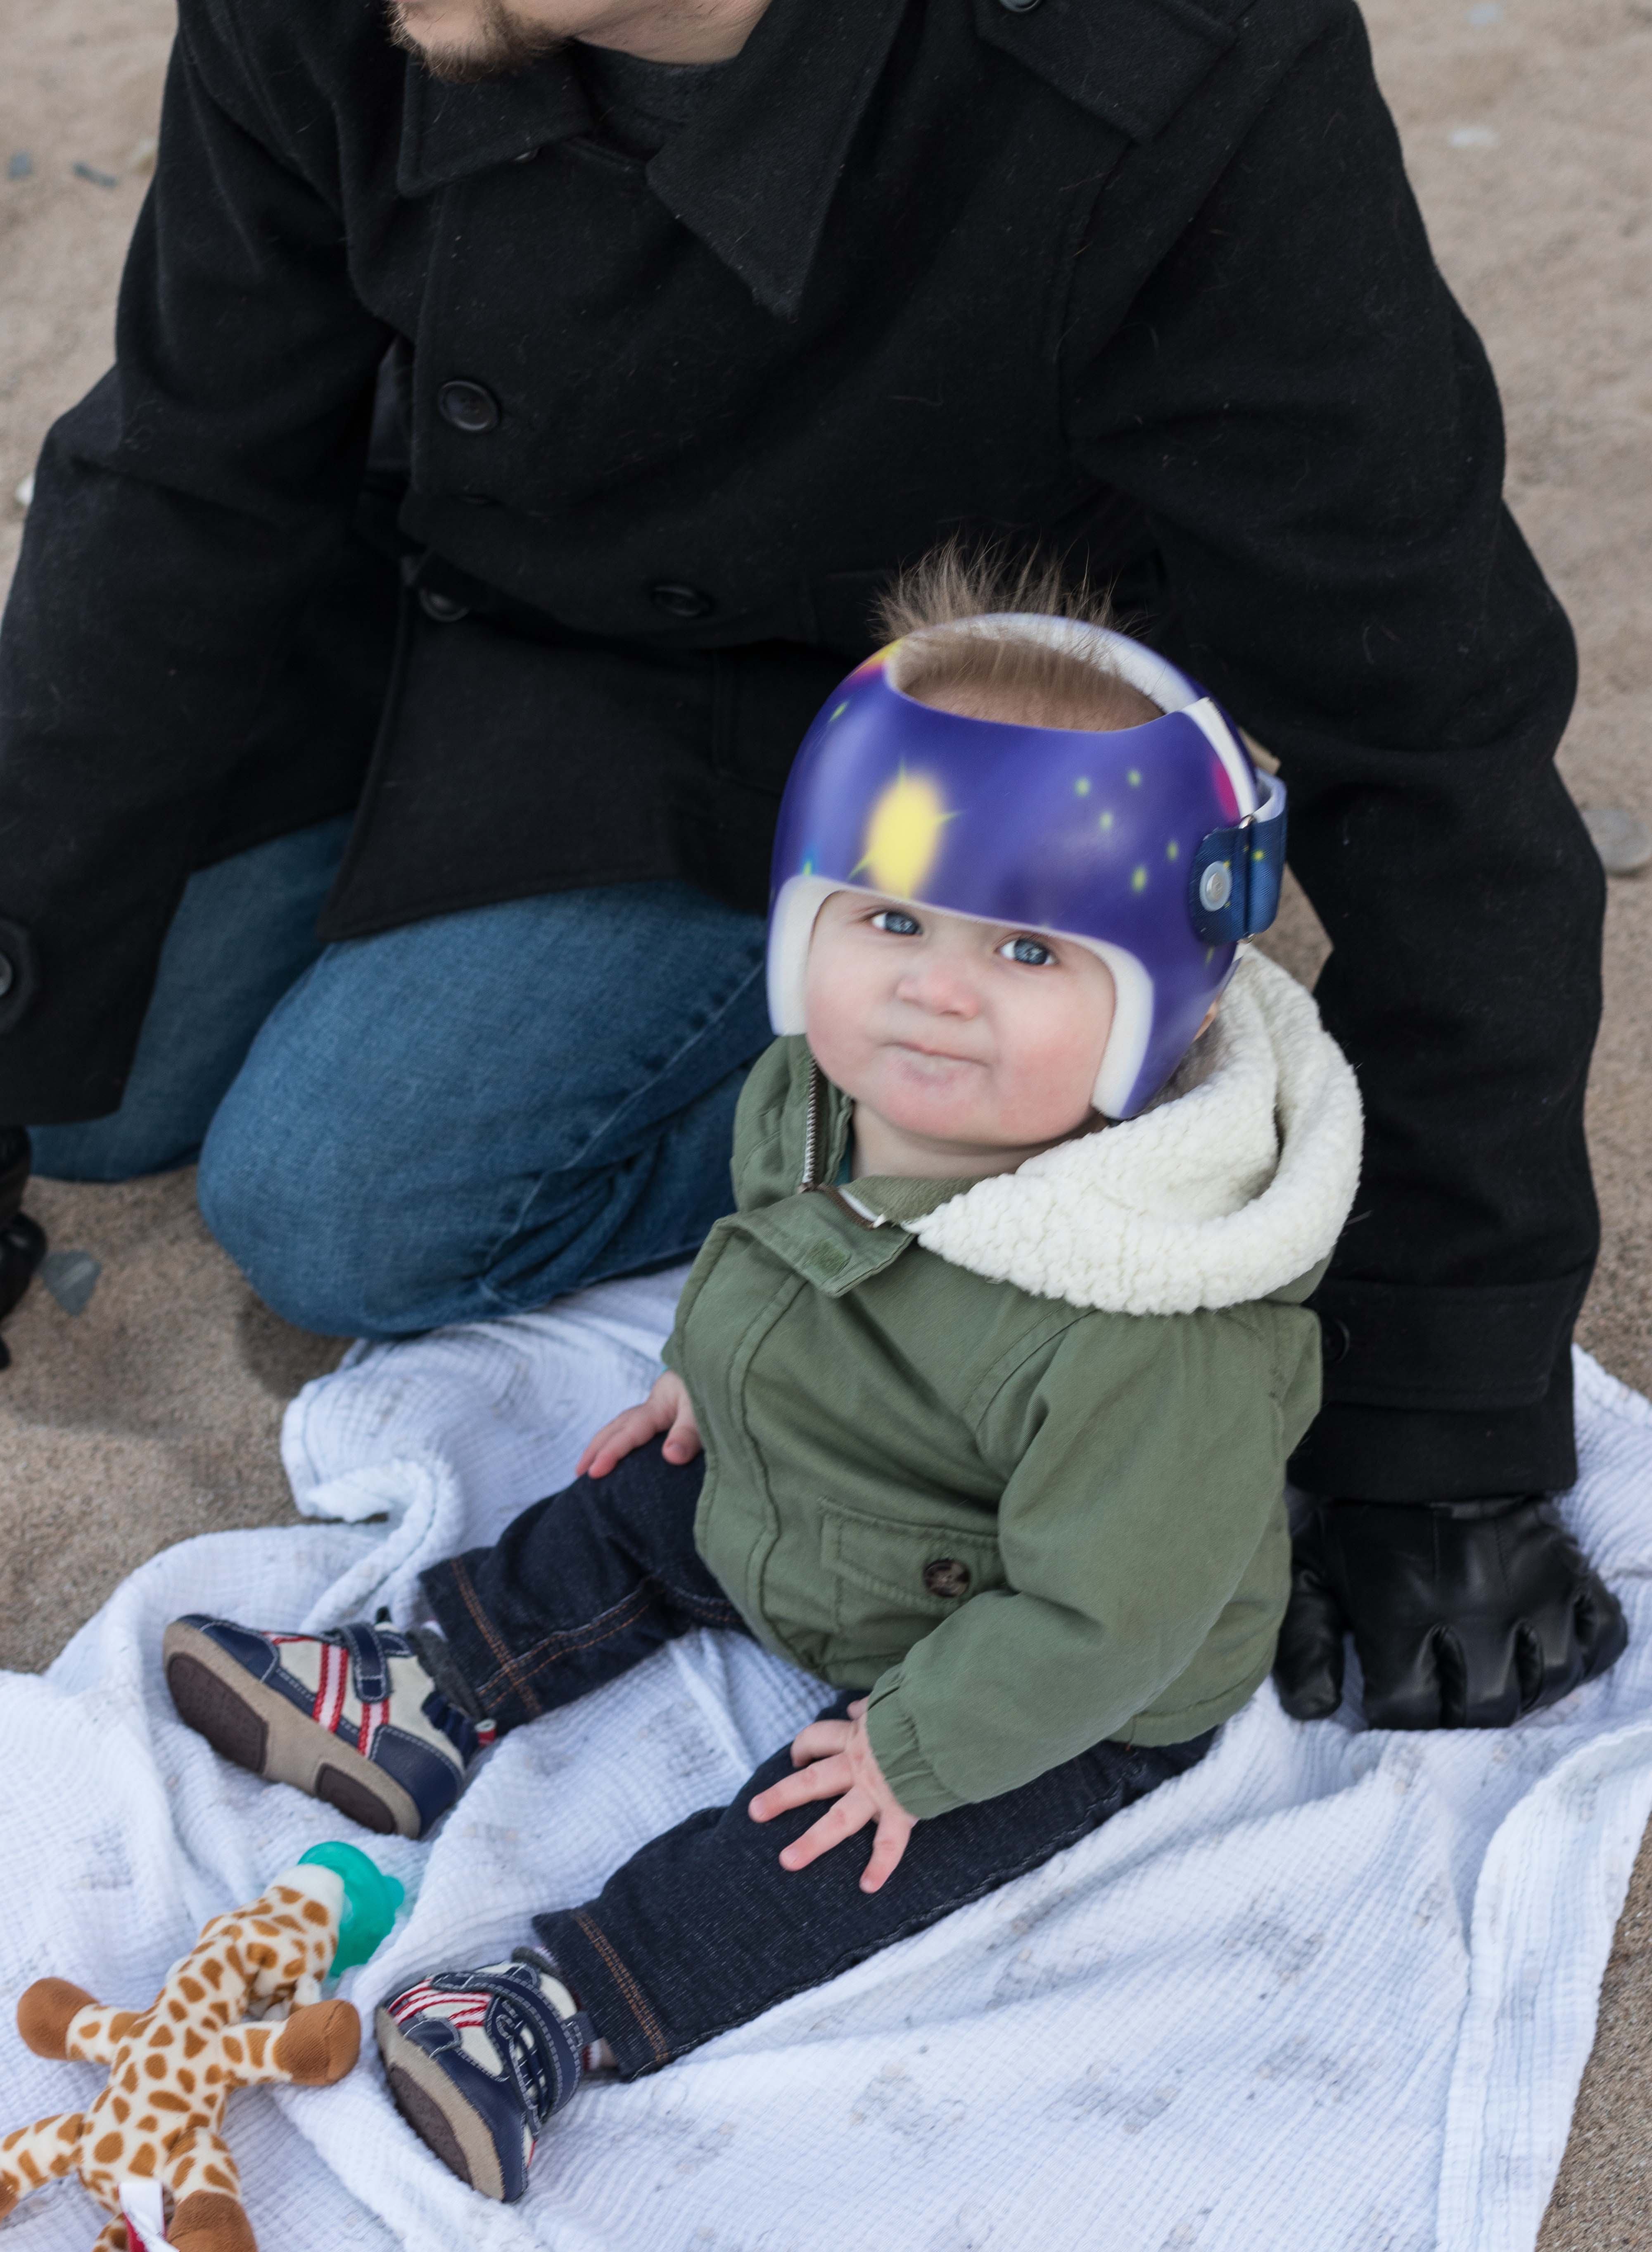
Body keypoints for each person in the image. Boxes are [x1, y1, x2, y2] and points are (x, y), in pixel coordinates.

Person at [0, 0, 1622, 1728]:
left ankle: (1030, 1034)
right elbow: (181, 473)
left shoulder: (1173, 54)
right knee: (83, 1079)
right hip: (428, 582)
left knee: (338, 1198)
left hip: (868, 730)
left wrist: (1440, 1433)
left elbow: (1430, 729)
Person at [158, 580, 1381, 2195]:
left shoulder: (1166, 1325)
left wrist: (917, 1743)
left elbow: (1113, 1620)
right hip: (837, 1485)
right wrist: (706, 1374)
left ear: (1176, 1001)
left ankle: (569, 2002)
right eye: (889, 923)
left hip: (1034, 1667)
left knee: (839, 1836)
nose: (936, 988)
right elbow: (764, 1253)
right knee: (628, 1504)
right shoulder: (823, 1089)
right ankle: (431, 1690)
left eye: (1026, 947)